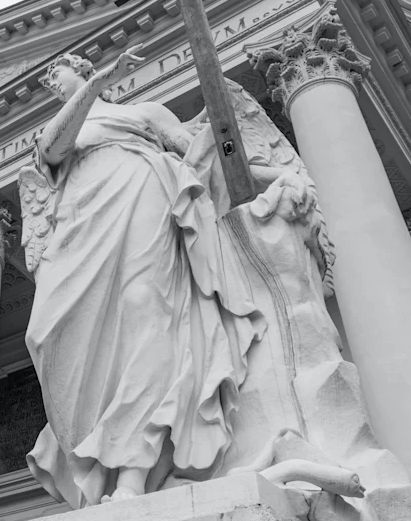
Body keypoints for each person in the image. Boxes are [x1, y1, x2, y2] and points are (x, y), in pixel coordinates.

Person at [21, 48, 266, 507]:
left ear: (82, 68)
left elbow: (199, 150)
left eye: (57, 70)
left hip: (142, 191)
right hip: (81, 221)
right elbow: (52, 147)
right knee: (44, 333)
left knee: (145, 313)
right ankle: (90, 459)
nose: (51, 81)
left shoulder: (144, 113)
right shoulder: (63, 128)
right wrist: (98, 83)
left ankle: (132, 471)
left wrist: (237, 146)